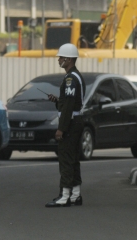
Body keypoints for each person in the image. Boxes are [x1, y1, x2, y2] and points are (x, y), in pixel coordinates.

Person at [45, 43, 86, 208]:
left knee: (66, 159)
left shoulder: (70, 79)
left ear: (69, 59)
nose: (59, 60)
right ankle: (75, 195)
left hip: (70, 123)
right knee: (74, 159)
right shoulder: (75, 76)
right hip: (76, 121)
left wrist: (61, 128)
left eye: (61, 57)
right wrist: (58, 101)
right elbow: (68, 103)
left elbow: (68, 106)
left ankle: (64, 196)